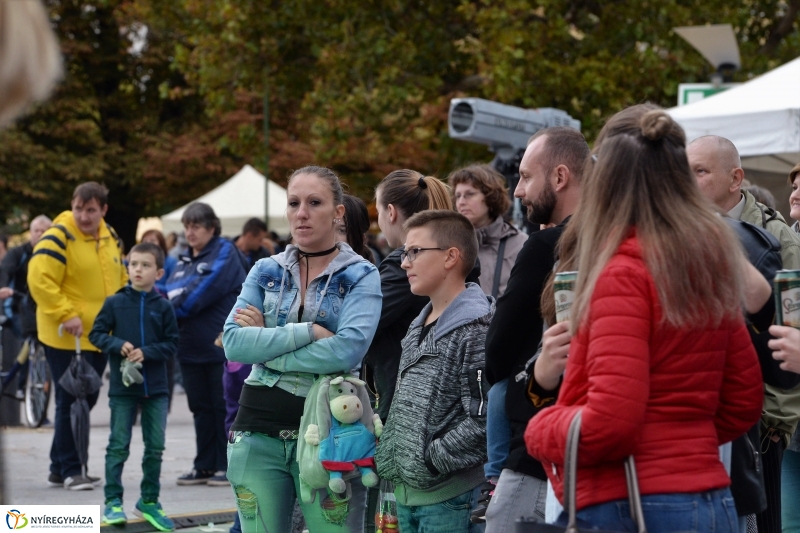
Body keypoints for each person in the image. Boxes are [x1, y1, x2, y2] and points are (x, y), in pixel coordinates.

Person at [525, 105, 764, 531]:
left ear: (607, 182)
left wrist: (540, 426)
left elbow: (611, 423)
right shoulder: (703, 268)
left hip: (634, 504)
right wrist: (682, 443)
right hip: (707, 500)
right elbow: (743, 399)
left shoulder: (622, 273)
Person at [222, 165, 382, 533]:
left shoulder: (360, 274)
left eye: (314, 202)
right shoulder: (265, 269)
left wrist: (264, 345)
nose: (302, 213)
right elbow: (233, 342)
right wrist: (309, 330)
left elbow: (345, 352)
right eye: (294, 203)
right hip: (257, 430)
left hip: (332, 435)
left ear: (338, 212)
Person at [687, 135, 800, 533]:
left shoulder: (774, 236)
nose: (689, 181)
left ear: (736, 178)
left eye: (700, 172)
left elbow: (790, 330)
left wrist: (775, 421)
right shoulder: (681, 234)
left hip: (761, 421)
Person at [480, 126, 588, 530]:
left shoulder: (547, 246)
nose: (519, 191)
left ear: (559, 178)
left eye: (526, 176)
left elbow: (499, 351)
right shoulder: (624, 241)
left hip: (537, 446)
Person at [374, 209, 492, 533]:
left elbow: (483, 414)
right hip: (409, 494)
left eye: (415, 251)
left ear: (450, 257)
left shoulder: (475, 329)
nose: (404, 263)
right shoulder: (418, 323)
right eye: (403, 252)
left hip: (448, 498)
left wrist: (432, 458)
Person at [28, 182, 128, 491]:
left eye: (91, 210)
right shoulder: (58, 236)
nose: (83, 216)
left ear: (103, 210)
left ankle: (59, 467)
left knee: (87, 396)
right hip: (64, 335)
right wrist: (65, 313)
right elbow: (38, 277)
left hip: (98, 334)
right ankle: (72, 469)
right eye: (78, 209)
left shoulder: (111, 237)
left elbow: (121, 277)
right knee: (71, 400)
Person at [89, 242, 179, 531]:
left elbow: (172, 344)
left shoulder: (164, 306)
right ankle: (113, 502)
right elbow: (97, 334)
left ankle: (149, 501)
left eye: (145, 265)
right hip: (122, 388)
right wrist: (117, 345)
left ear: (159, 272)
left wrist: (148, 351)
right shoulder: (114, 302)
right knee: (118, 446)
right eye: (133, 264)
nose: (137, 270)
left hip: (157, 390)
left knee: (155, 447)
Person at [165, 202, 247, 486]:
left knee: (223, 407)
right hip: (188, 348)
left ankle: (227, 465)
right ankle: (204, 465)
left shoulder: (224, 250)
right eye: (187, 226)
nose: (190, 232)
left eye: (196, 226)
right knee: (199, 408)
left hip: (221, 347)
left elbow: (195, 296)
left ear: (211, 228)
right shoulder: (181, 261)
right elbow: (165, 292)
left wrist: (176, 298)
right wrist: (175, 297)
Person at [769, 159, 800, 533]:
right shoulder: (780, 245)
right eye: (794, 185)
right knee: (789, 522)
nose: (796, 192)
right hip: (793, 420)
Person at [449, 164, 526, 298]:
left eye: (469, 194)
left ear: (490, 196)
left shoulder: (520, 244)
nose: (461, 202)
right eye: (458, 196)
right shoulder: (449, 244)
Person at [0, 215, 52, 339]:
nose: (39, 234)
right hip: (17, 305)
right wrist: (4, 287)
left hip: (45, 306)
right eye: (36, 230)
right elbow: (5, 270)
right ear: (30, 232)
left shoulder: (53, 255)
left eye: (43, 231)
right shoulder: (18, 253)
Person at [337, 194, 373, 263]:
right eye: (330, 229)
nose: (331, 238)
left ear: (362, 238)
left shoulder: (366, 272)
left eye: (342, 231)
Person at [140, 229, 178, 295]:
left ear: (161, 243)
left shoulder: (170, 261)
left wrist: (152, 287)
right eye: (145, 241)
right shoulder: (139, 262)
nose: (148, 244)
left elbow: (173, 287)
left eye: (152, 241)